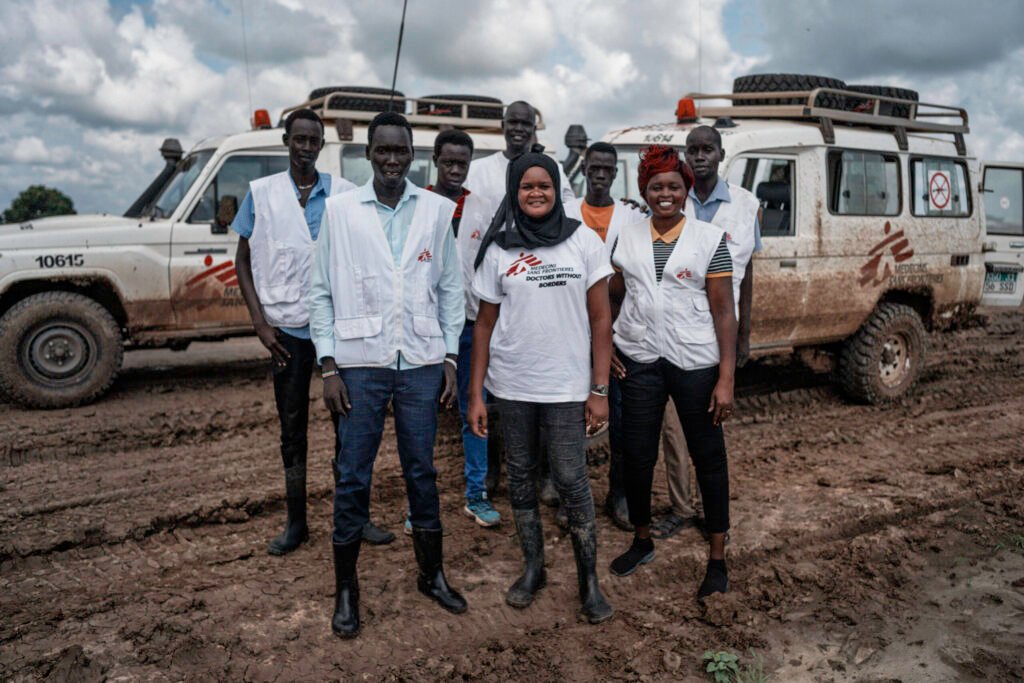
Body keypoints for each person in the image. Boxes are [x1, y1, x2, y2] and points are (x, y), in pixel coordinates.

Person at [308, 111, 467, 638]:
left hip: (421, 363)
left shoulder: (438, 210)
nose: (392, 160)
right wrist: (328, 364)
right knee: (354, 475)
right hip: (359, 364)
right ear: (369, 154)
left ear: (412, 154)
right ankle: (346, 590)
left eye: (401, 151)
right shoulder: (340, 211)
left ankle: (432, 574)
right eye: (383, 151)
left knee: (422, 471)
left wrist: (448, 358)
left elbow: (449, 290)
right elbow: (321, 291)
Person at [232, 109, 396, 555]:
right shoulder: (261, 194)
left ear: (322, 145)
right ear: (286, 141)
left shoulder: (343, 194)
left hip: (338, 334)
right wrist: (260, 323)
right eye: (299, 139)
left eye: (314, 141)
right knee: (292, 429)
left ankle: (355, 517)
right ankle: (296, 523)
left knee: (350, 427)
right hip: (284, 333)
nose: (306, 147)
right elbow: (242, 259)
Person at [467, 153, 614, 624]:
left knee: (571, 479)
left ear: (556, 190)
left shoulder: (584, 243)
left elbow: (600, 319)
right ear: (514, 192)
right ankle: (534, 568)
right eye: (526, 186)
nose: (535, 193)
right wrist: (476, 394)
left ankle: (589, 582)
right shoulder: (499, 251)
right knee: (521, 478)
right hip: (512, 384)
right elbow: (484, 326)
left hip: (568, 386)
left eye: (544, 186)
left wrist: (599, 389)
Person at [607, 145, 737, 600]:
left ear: (686, 191)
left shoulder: (709, 239)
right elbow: (613, 294)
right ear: (644, 191)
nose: (665, 194)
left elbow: (724, 312)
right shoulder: (627, 236)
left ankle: (717, 559)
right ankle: (642, 541)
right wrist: (605, 349)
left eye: (674, 186)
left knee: (709, 458)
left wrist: (726, 378)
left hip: (695, 363)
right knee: (637, 455)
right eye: (656, 186)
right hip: (640, 358)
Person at [650, 126, 762, 540]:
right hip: (675, 331)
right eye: (692, 150)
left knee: (712, 423)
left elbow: (748, 274)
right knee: (674, 425)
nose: (700, 157)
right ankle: (682, 506)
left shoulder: (747, 206)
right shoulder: (669, 199)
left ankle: (714, 513)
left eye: (707, 149)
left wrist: (744, 335)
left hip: (721, 331)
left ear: (720, 154)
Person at [568, 141, 645, 531]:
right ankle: (571, 497)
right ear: (584, 168)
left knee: (618, 418)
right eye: (594, 167)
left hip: (615, 334)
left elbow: (633, 281)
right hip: (569, 331)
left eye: (607, 169)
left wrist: (611, 338)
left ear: (616, 173)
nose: (600, 174)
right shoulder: (564, 212)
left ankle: (619, 495)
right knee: (567, 418)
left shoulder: (632, 218)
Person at [426, 129, 501, 528]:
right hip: (427, 330)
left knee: (476, 406)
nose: (455, 170)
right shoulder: (418, 203)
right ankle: (418, 503)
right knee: (421, 413)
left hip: (472, 327)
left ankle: (477, 494)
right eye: (448, 162)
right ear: (435, 160)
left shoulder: (483, 208)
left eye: (462, 163)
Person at [465, 100, 576, 207]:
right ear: (503, 125)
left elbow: (569, 210)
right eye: (513, 122)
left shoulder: (553, 169)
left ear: (534, 129)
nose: (519, 128)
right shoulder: (476, 171)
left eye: (525, 124)